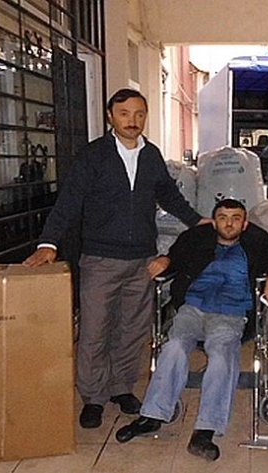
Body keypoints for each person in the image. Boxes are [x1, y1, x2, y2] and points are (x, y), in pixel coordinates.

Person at [23, 88, 208, 429]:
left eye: (139, 114)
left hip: (142, 260)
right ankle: (93, 398)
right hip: (100, 259)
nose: (132, 121)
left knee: (132, 330)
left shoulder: (151, 155)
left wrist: (197, 221)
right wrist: (48, 242)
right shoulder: (94, 155)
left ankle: (122, 388)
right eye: (124, 113)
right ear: (110, 116)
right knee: (94, 331)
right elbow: (69, 200)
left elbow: (169, 195)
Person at [114, 198, 268, 461]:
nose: (229, 223)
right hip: (193, 308)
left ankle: (205, 431)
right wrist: (165, 260)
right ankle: (152, 416)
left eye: (236, 218)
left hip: (230, 314)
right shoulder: (195, 237)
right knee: (174, 347)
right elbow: (174, 259)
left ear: (245, 224)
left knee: (221, 356)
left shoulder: (257, 241)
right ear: (214, 221)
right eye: (223, 217)